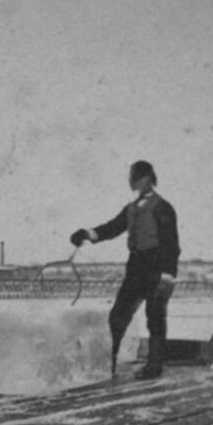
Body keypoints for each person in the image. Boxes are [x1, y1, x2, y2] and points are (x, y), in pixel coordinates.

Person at [70, 160, 180, 380]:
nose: (137, 181)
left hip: (157, 266)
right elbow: (112, 228)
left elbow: (172, 245)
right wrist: (87, 234)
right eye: (134, 177)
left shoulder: (162, 207)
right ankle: (107, 365)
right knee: (118, 316)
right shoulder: (130, 209)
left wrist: (167, 277)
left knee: (155, 317)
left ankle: (154, 367)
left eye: (141, 177)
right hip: (136, 267)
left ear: (150, 178)